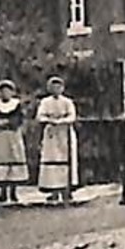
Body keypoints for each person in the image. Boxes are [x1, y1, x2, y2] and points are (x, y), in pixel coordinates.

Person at [35, 76, 80, 205]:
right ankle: (53, 190)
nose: (56, 89)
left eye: (59, 87)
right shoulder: (45, 102)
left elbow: (72, 116)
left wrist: (61, 121)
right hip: (51, 134)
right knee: (52, 160)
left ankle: (67, 189)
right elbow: (40, 116)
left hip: (65, 132)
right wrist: (50, 120)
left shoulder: (67, 102)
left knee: (66, 160)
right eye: (53, 87)